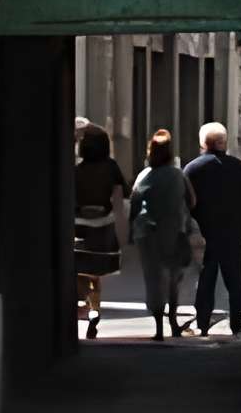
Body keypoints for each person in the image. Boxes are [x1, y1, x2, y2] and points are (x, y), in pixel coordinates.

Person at [183, 121, 241, 337]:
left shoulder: (192, 169)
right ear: (225, 142)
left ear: (203, 142)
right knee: (234, 277)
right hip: (232, 232)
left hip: (205, 232)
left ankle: (202, 321)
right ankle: (237, 321)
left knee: (206, 276)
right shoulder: (240, 168)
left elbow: (187, 204)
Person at [128, 128, 195, 340]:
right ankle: (173, 323)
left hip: (147, 233)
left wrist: (131, 229)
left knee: (154, 278)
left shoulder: (144, 176)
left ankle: (158, 327)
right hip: (173, 230)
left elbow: (134, 204)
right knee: (174, 277)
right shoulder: (178, 174)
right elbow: (193, 200)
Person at [73, 125, 129, 337]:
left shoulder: (77, 170)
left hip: (79, 226)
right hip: (104, 225)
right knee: (96, 274)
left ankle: (86, 303)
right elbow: (120, 196)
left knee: (80, 270)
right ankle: (95, 309)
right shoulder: (111, 167)